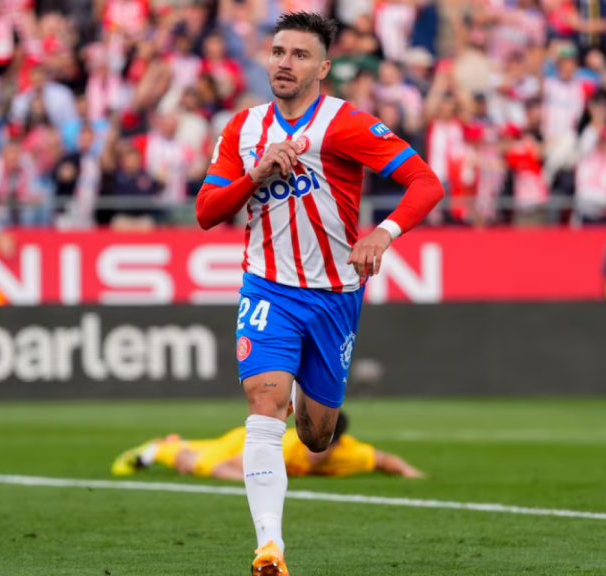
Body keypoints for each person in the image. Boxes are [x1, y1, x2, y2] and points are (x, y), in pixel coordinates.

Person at [194, 12, 443, 575]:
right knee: (264, 404)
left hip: (334, 294)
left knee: (316, 435)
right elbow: (207, 213)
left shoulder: (345, 124)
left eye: (300, 54)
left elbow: (426, 183)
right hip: (268, 286)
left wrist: (383, 233)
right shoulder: (243, 129)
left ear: (323, 68)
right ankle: (269, 549)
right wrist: (255, 176)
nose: (285, 63)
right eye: (278, 51)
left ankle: (307, 400)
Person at [111, 412, 423, 481]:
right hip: (245, 444)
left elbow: (383, 460)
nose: (317, 452)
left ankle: (171, 442)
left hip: (248, 447)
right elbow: (229, 466)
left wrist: (411, 473)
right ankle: (157, 450)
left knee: (200, 452)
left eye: (326, 446)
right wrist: (253, 480)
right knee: (197, 464)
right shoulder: (286, 449)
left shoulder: (348, 453)